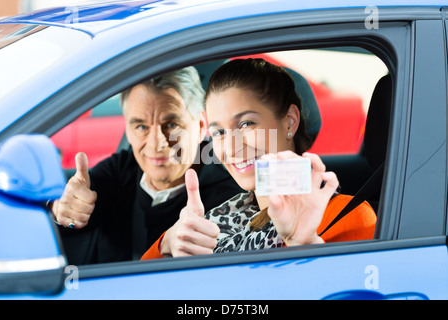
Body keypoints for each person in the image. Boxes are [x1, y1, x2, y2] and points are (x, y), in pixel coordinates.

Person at [140, 58, 376, 259]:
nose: (231, 147)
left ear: (290, 122)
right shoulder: (217, 221)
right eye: (219, 132)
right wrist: (167, 244)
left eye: (246, 123)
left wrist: (302, 246)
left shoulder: (347, 217)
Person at [51, 66, 243, 264]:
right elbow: (72, 215)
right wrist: (62, 209)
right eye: (141, 127)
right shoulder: (120, 169)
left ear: (201, 125)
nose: (156, 143)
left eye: (171, 125)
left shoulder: (233, 193)